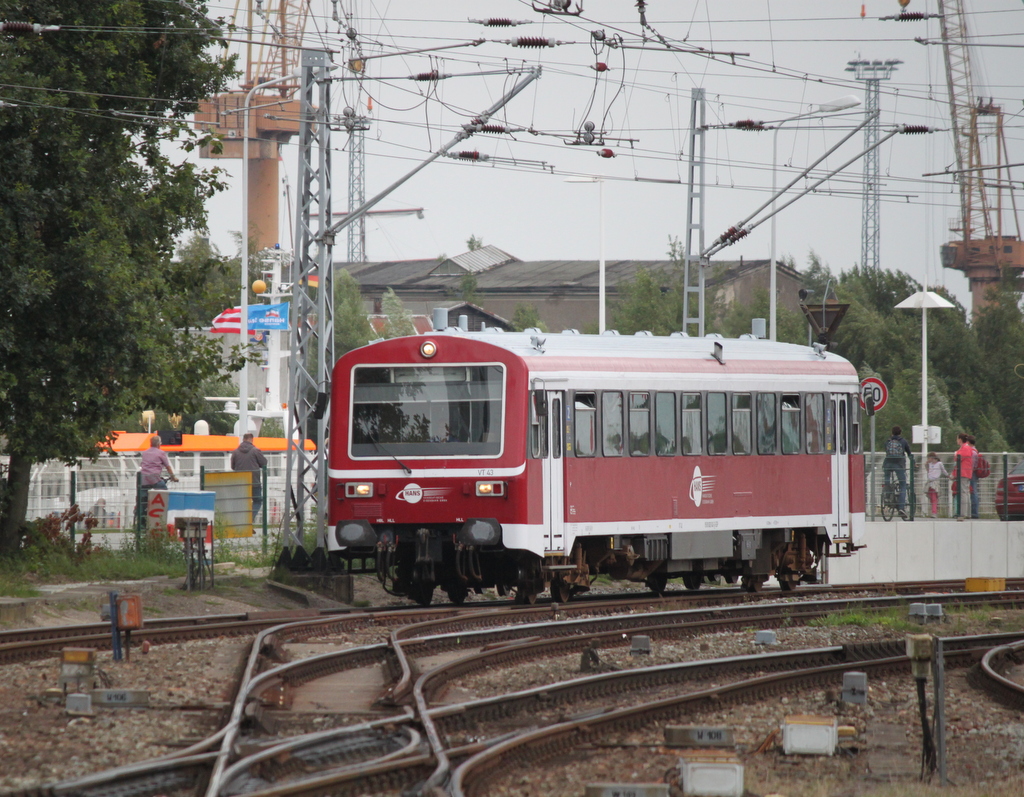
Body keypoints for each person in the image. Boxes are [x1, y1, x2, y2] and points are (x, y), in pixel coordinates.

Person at [231, 432, 268, 522]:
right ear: (252, 439)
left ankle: (240, 522)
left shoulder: (235, 452)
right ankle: (249, 519)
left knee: (242, 502)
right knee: (257, 501)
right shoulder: (255, 451)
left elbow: (233, 466)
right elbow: (264, 463)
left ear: (243, 439)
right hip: (254, 481)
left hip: (240, 482)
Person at [883, 425, 913, 519]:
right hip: (899, 465)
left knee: (887, 480)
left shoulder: (888, 441)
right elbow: (909, 453)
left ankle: (887, 497)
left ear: (892, 433)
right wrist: (914, 463)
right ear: (900, 433)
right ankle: (901, 507)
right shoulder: (903, 441)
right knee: (903, 484)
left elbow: (886, 451)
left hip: (887, 464)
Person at [954, 432, 975, 518]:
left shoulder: (965, 448)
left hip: (963, 472)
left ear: (960, 440)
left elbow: (958, 458)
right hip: (967, 472)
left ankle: (963, 513)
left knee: (963, 493)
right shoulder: (968, 448)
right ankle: (968, 513)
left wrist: (956, 454)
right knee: (966, 492)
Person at [925, 452, 949, 518]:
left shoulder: (939, 464)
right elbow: (928, 471)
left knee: (934, 497)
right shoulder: (929, 464)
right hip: (930, 481)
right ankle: (934, 511)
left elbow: (943, 470)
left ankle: (934, 512)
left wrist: (948, 476)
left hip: (935, 481)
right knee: (932, 497)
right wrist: (926, 464)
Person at [967, 434, 980, 519]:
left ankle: (974, 513)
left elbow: (971, 464)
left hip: (971, 473)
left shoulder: (972, 452)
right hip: (973, 473)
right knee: (973, 492)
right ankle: (974, 512)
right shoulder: (975, 451)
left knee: (973, 492)